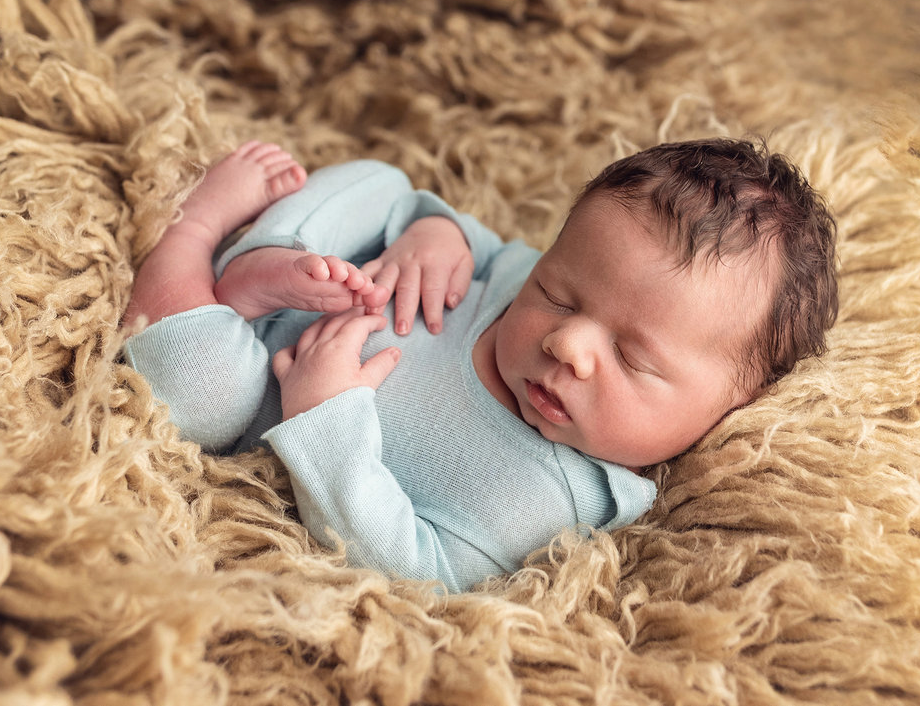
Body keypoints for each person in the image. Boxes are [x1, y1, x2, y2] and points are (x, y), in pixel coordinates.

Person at [122, 137, 838, 592]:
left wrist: (323, 418)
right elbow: (493, 249)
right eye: (557, 294)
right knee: (379, 178)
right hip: (322, 278)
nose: (568, 344)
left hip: (267, 389)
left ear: (728, 408)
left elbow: (410, 571)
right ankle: (264, 255)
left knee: (198, 395)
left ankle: (194, 236)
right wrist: (437, 234)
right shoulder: (527, 278)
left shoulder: (546, 496)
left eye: (631, 355)